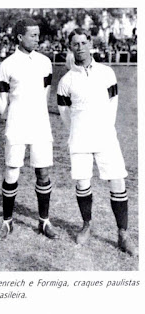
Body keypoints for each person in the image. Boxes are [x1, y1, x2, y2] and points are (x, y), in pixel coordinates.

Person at [57, 28, 136, 256]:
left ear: (90, 43)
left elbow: (113, 102)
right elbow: (65, 113)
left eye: (83, 42)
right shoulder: (66, 80)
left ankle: (123, 234)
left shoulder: (106, 73)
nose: (80, 47)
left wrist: (104, 128)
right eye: (75, 43)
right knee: (83, 184)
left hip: (105, 135)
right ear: (70, 47)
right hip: (79, 138)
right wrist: (78, 131)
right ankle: (87, 224)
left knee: (118, 182)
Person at [0, 18, 59, 240]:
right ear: (20, 37)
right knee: (12, 171)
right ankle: (7, 222)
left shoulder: (45, 62)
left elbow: (46, 90)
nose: (37, 39)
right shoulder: (7, 64)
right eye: (33, 35)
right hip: (17, 124)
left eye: (38, 35)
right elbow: (0, 98)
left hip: (40, 123)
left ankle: (44, 221)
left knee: (43, 172)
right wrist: (10, 116)